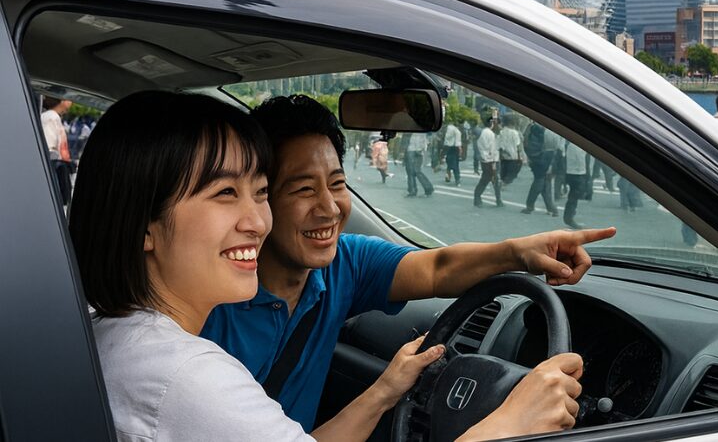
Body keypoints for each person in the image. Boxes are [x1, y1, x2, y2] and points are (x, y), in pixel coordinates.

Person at [203, 94, 616, 435]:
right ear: (260, 198)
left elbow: (437, 268)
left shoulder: (344, 262)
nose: (329, 208)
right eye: (303, 189)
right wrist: (511, 422)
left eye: (337, 183)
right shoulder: (207, 306)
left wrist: (520, 252)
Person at [71, 91, 444, 441]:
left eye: (261, 192)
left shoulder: (107, 332)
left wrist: (384, 391)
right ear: (143, 225)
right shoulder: (189, 377)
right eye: (226, 193)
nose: (258, 223)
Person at [40, 95, 74, 207]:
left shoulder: (52, 116)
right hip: (56, 169)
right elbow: (50, 148)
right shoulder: (51, 117)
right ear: (62, 100)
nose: (71, 103)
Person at [522, 122, 560, 217]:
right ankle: (551, 208)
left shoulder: (533, 128)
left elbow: (526, 143)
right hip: (547, 157)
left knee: (540, 182)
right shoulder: (549, 131)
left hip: (539, 159)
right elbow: (557, 147)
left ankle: (531, 206)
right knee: (544, 183)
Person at [561, 139, 591, 229]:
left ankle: (570, 215)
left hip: (571, 172)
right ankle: (569, 217)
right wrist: (586, 173)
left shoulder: (570, 145)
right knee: (574, 197)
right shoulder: (578, 146)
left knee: (573, 196)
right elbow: (581, 160)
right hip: (578, 173)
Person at [474, 116, 503, 207]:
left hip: (485, 160)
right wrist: (494, 163)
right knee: (492, 180)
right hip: (491, 160)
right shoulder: (490, 134)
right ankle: (497, 200)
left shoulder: (483, 132)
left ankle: (479, 198)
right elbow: (492, 149)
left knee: (487, 180)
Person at [403, 132, 435, 198]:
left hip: (411, 150)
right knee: (416, 171)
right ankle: (427, 188)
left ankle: (413, 190)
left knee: (411, 171)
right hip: (418, 150)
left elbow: (405, 140)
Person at [497, 115, 524, 185]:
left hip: (503, 155)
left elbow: (499, 145)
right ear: (512, 123)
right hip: (513, 156)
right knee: (511, 171)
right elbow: (518, 145)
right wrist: (520, 156)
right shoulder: (514, 133)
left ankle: (502, 181)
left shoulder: (501, 132)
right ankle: (505, 182)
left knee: (503, 170)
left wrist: (499, 154)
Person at [442, 119, 463, 186]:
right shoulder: (456, 131)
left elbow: (444, 139)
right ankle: (457, 180)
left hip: (447, 148)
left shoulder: (447, 128)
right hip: (454, 148)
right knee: (455, 165)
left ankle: (448, 175)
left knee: (449, 163)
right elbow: (458, 143)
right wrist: (460, 151)